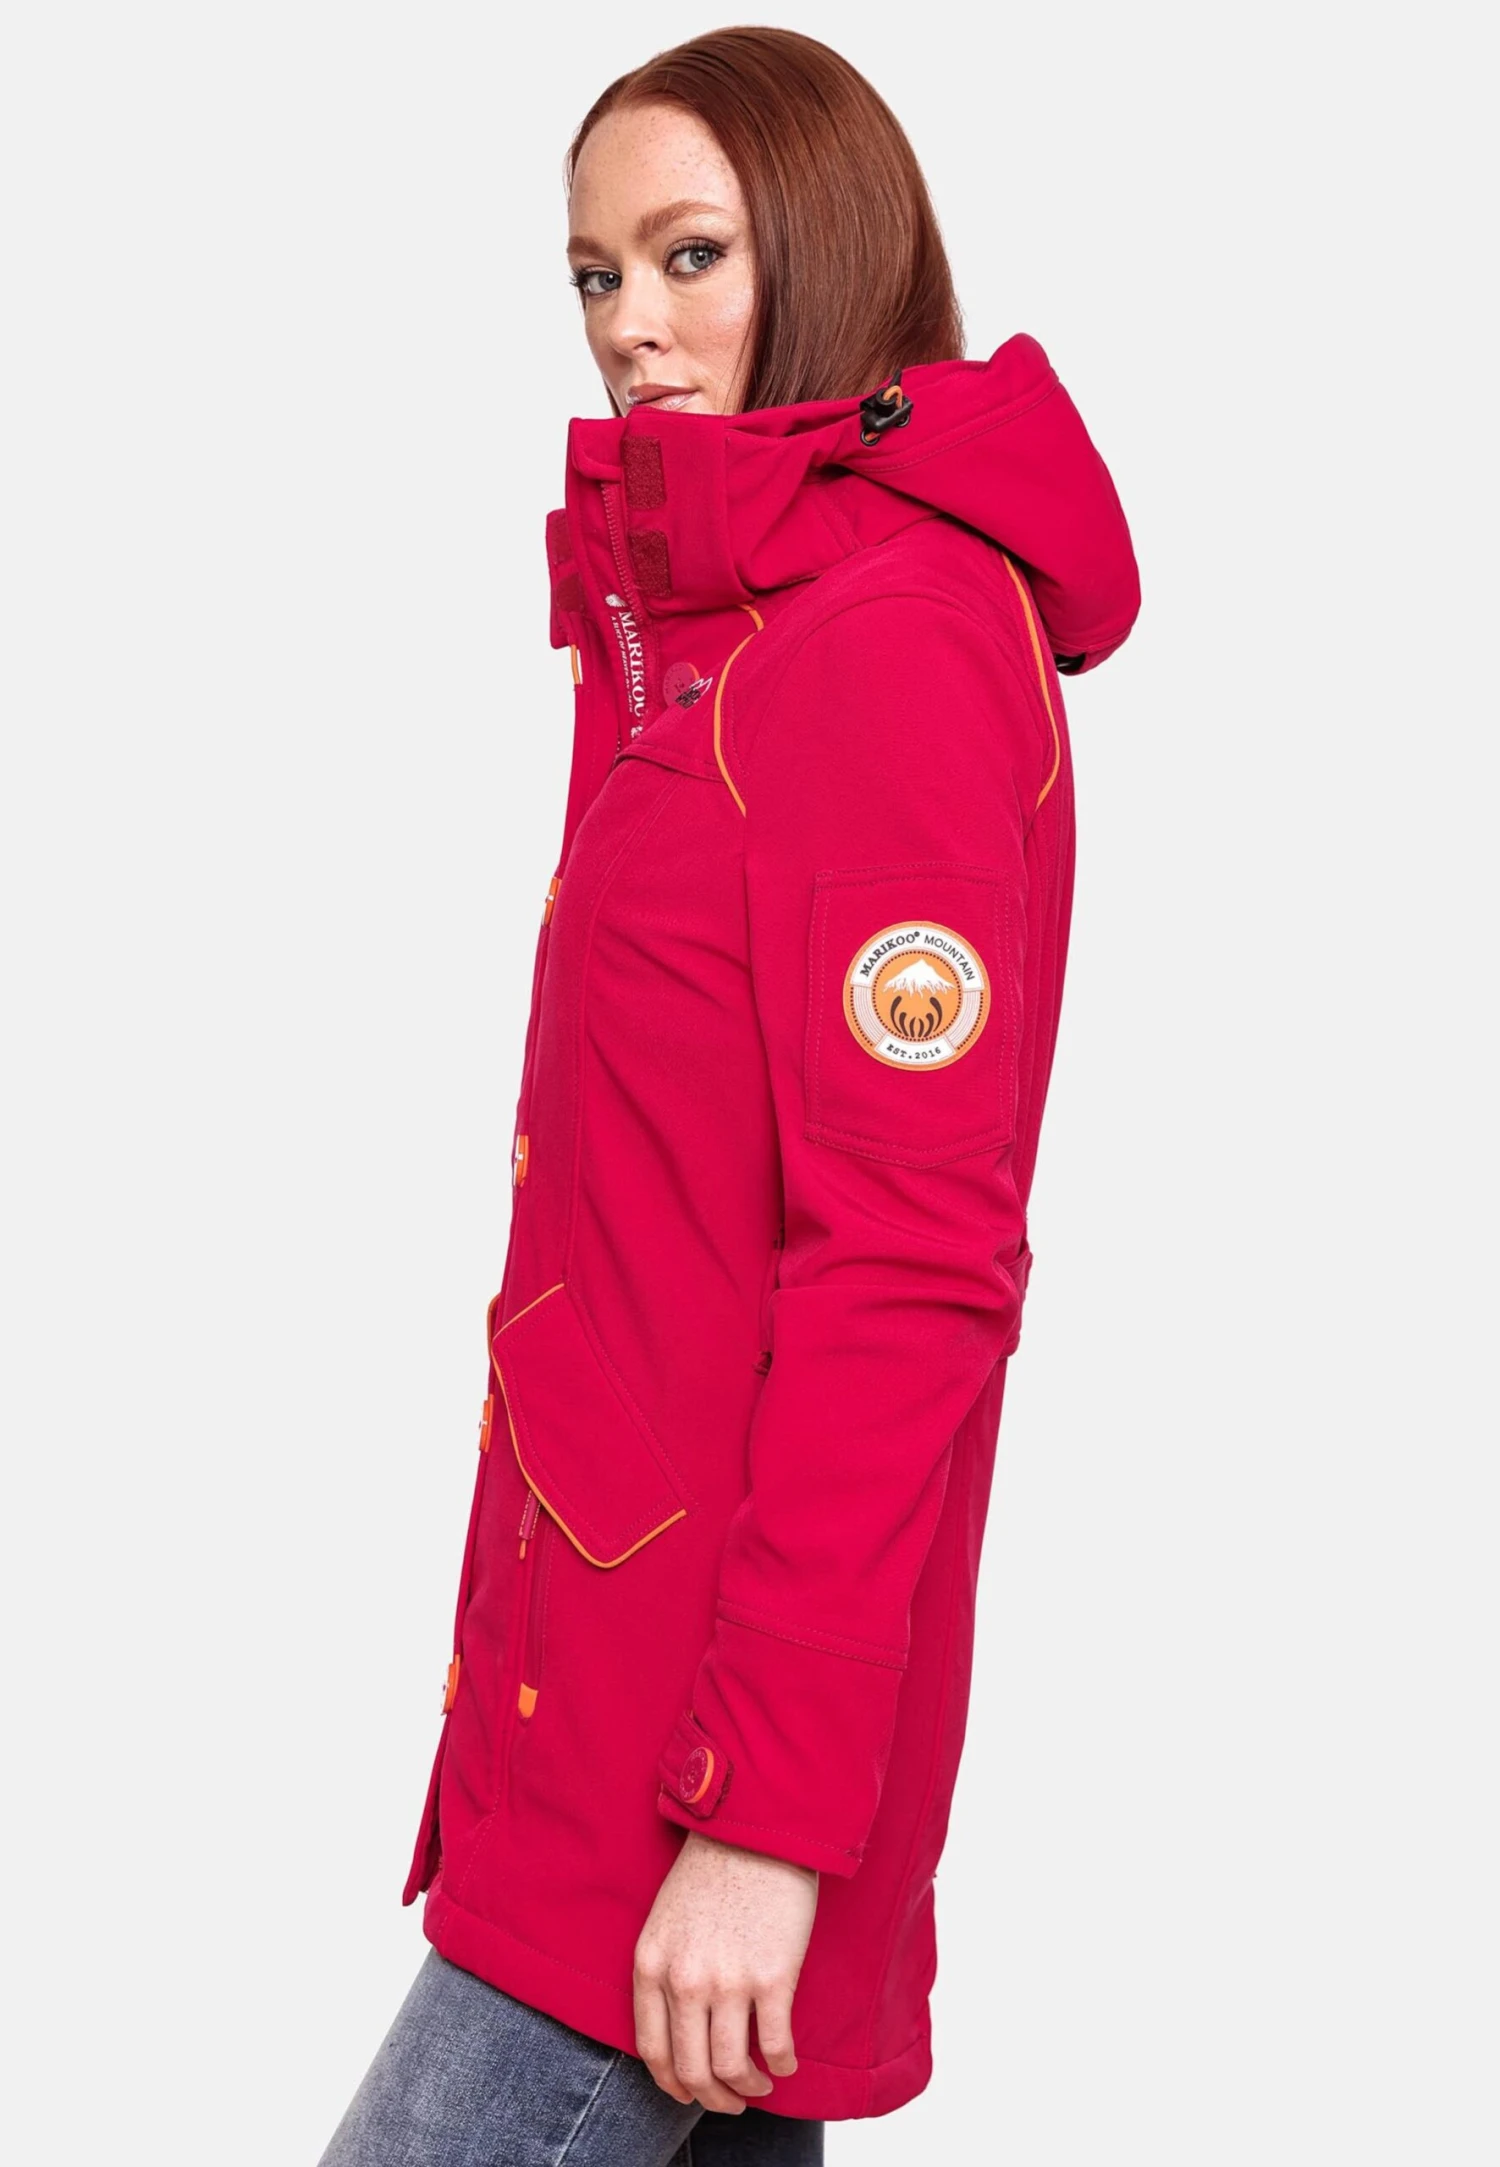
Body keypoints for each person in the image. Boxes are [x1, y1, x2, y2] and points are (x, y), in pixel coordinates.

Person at [318, 24, 1139, 2165]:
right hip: (592, 1691)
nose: (632, 328)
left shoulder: (883, 647)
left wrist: (763, 1821)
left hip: (681, 1763)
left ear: (830, 250)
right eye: (594, 275)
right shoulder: (715, 633)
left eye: (690, 256)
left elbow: (910, 1272)